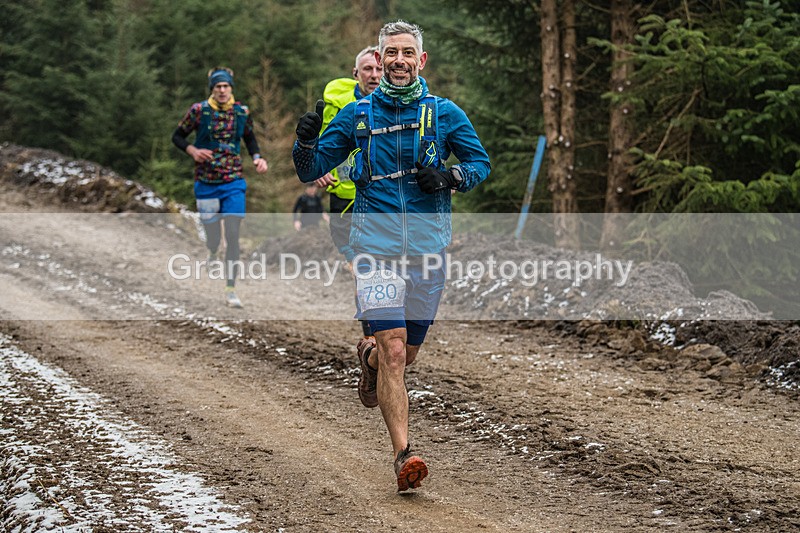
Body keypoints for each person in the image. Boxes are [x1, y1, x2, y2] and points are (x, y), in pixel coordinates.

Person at [292, 21, 490, 492]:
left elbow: (480, 163)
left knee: (406, 355)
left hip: (427, 251)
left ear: (421, 61)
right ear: (380, 63)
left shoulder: (444, 113)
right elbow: (310, 170)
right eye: (391, 54)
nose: (399, 60)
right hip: (374, 249)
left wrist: (449, 177)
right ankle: (403, 454)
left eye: (408, 52)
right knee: (396, 349)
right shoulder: (357, 116)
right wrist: (304, 140)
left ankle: (371, 361)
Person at [172, 66, 268, 309]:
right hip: (206, 182)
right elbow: (177, 136)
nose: (222, 91)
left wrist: (257, 156)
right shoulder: (199, 111)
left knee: (233, 235)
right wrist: (192, 150)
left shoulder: (241, 112)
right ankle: (212, 251)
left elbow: (249, 138)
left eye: (226, 87)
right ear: (212, 90)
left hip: (233, 181)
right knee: (213, 235)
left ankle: (230, 288)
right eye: (218, 87)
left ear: (231, 89)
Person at [314, 46, 383, 338]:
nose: (375, 75)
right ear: (356, 73)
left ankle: (381, 334)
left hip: (384, 200)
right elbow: (324, 139)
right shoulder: (339, 102)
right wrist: (319, 165)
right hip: (345, 199)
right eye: (368, 69)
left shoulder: (397, 103)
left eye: (379, 69)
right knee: (364, 271)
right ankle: (370, 337)